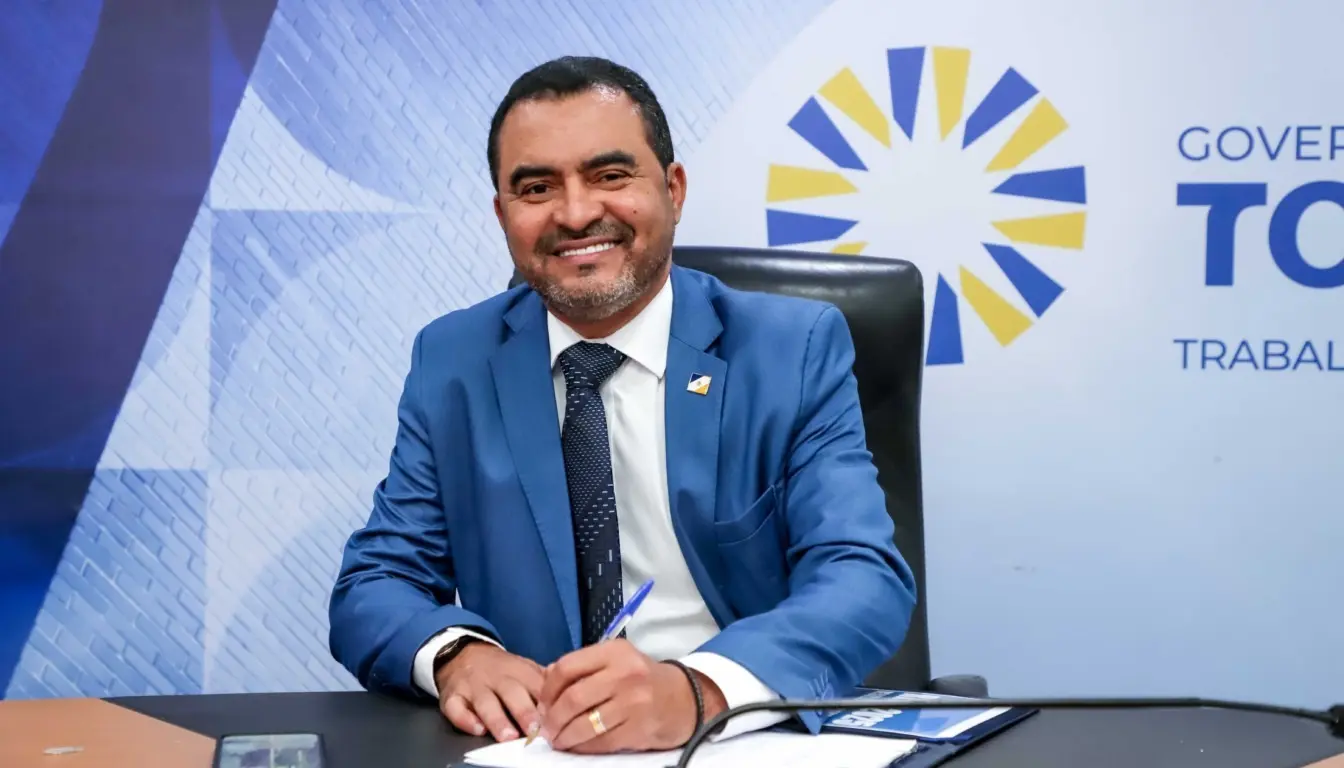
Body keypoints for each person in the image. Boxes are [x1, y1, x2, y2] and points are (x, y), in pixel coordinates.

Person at [328, 55, 917, 755]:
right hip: (542, 749)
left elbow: (861, 576)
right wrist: (458, 654)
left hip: (739, 740)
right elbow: (377, 582)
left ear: (673, 189)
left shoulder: (790, 349)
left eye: (610, 176)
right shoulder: (454, 360)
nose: (576, 213)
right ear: (502, 214)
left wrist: (700, 691)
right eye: (537, 188)